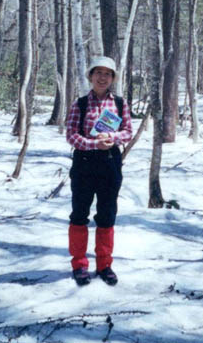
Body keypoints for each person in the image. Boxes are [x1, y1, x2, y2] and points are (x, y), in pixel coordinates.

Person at [65, 56, 132, 286]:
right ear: (91, 76)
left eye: (107, 74)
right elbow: (71, 135)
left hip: (110, 164)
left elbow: (127, 132)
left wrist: (112, 138)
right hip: (84, 163)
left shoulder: (120, 104)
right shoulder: (80, 104)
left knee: (106, 215)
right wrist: (94, 143)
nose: (102, 78)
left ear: (113, 78)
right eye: (98, 73)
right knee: (79, 214)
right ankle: (80, 265)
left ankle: (104, 264)